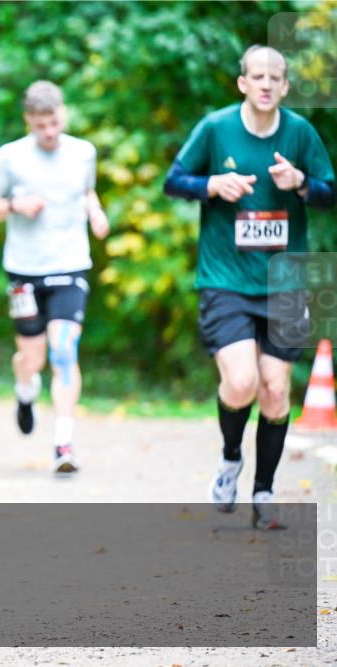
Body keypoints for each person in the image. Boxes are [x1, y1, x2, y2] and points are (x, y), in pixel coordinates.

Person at [164, 45, 334, 529]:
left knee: (276, 392)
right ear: (242, 83)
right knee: (242, 383)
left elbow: (329, 192)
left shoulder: (300, 133)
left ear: (283, 86)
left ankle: (263, 491)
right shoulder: (216, 129)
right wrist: (213, 185)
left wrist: (300, 181)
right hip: (225, 280)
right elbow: (174, 180)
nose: (264, 83)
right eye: (256, 76)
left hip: (284, 282)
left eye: (273, 77)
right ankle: (230, 458)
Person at [0, 81, 110, 475]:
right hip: (24, 271)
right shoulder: (11, 157)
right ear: (29, 122)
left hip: (70, 265)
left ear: (63, 114)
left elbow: (86, 191)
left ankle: (64, 443)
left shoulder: (83, 152)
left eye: (54, 123)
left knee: (63, 351)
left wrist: (96, 210)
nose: (50, 132)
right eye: (41, 126)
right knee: (32, 358)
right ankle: (24, 390)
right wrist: (16, 205)